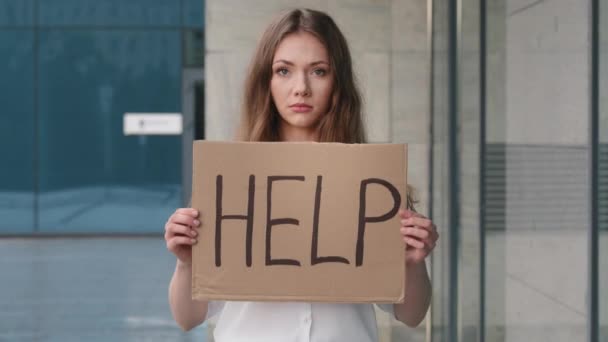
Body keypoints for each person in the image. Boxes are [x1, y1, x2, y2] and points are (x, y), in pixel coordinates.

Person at [165, 8, 439, 342]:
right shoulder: (232, 181)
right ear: (266, 81)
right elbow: (186, 317)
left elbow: (411, 315)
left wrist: (413, 263)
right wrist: (186, 263)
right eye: (284, 71)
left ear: (338, 81)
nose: (301, 88)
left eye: (319, 71)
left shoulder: (373, 184)